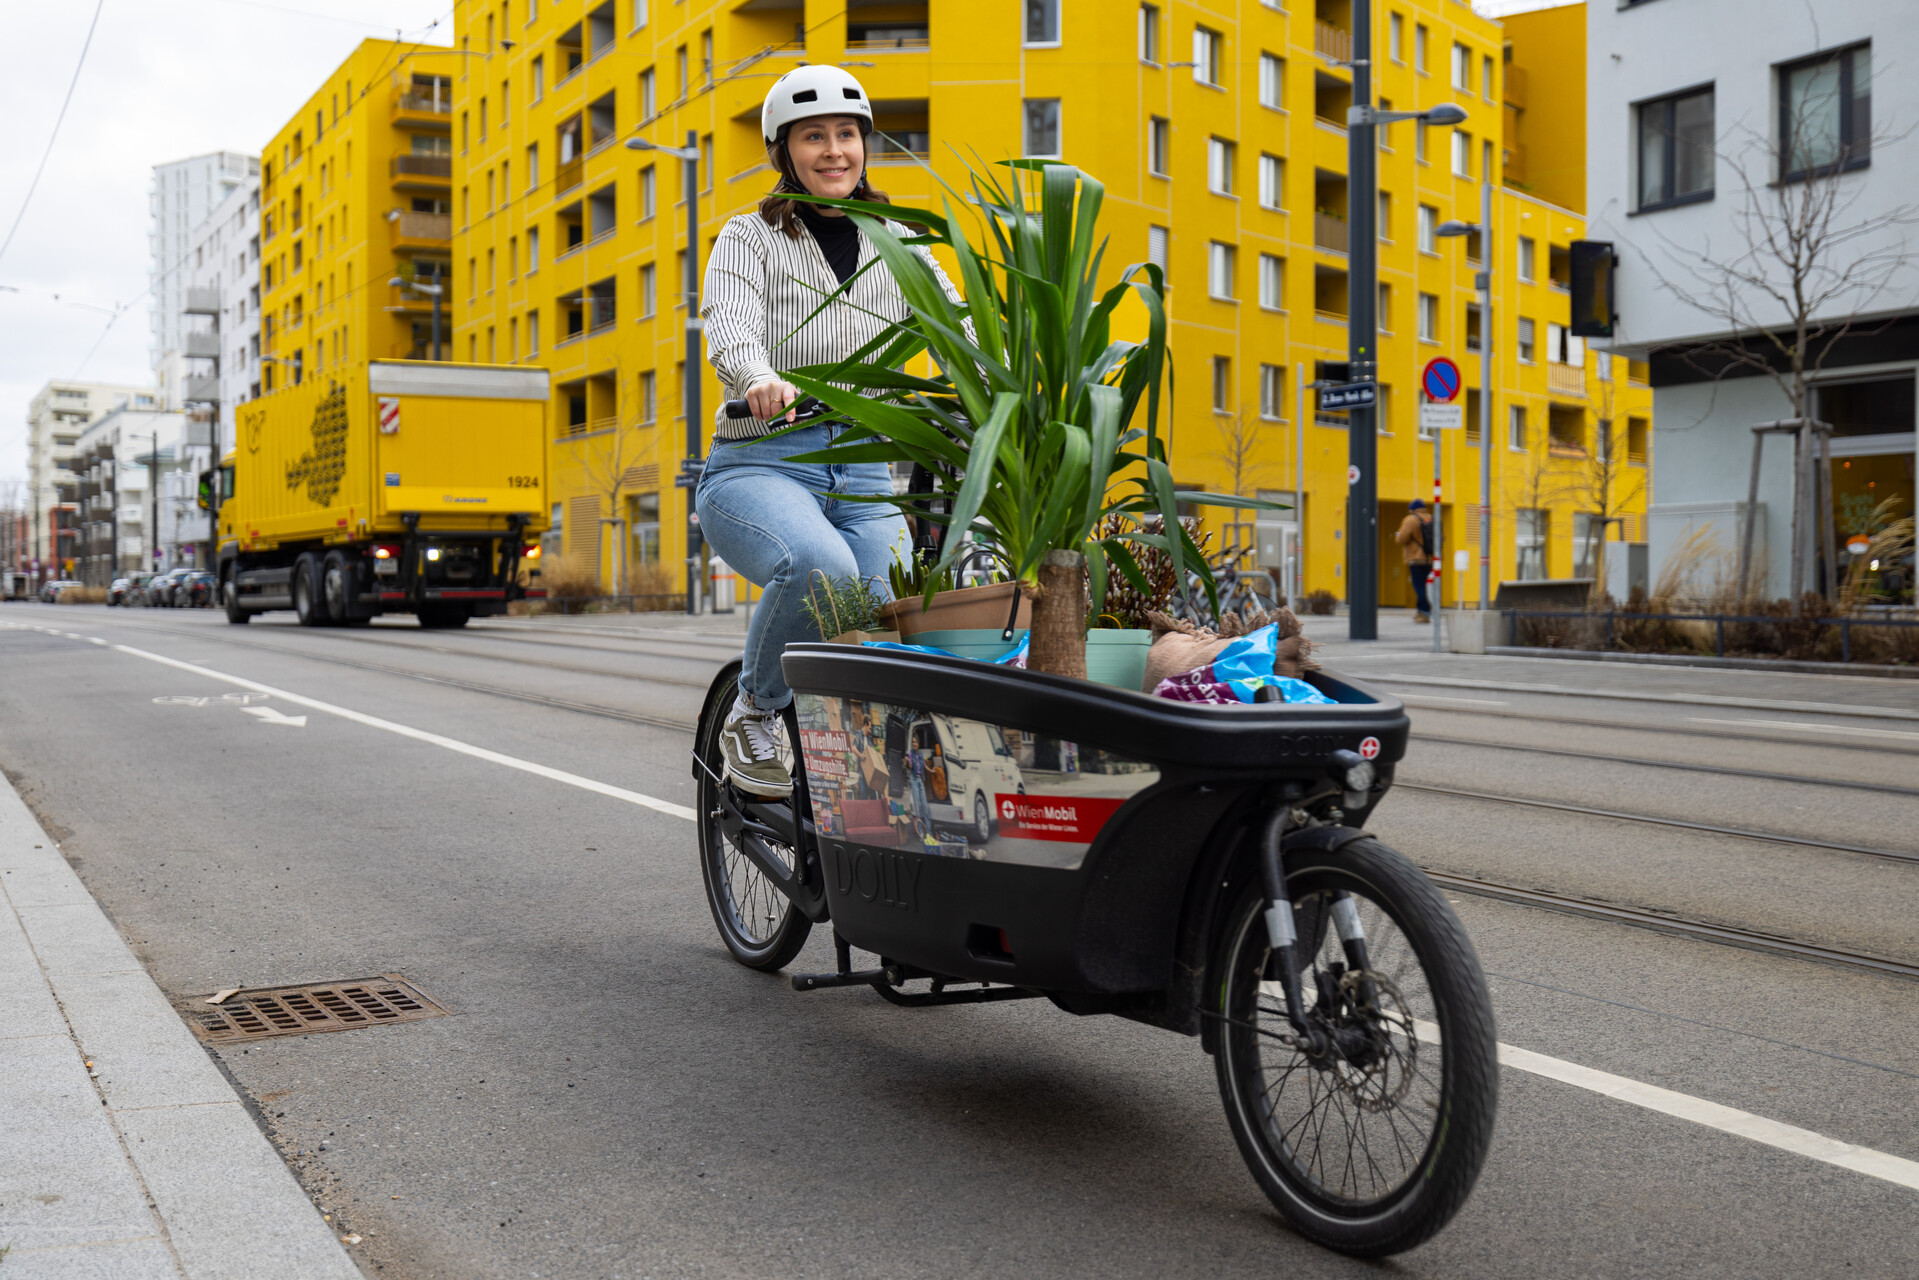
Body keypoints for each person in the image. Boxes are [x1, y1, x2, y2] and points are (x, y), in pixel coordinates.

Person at [696, 66, 966, 797]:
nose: (834, 150)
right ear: (783, 152)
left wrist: (1001, 388)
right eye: (813, 137)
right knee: (824, 573)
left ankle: (857, 799)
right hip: (761, 466)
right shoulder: (748, 237)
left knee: (888, 618)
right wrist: (756, 379)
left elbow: (955, 326)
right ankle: (754, 710)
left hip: (865, 474)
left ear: (864, 144)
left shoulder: (900, 240)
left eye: (845, 134)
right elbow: (730, 325)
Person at [1396, 499, 1435, 623]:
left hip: (1416, 558)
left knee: (1419, 586)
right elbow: (1441, 537)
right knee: (1426, 585)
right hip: (1430, 558)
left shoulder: (1411, 519)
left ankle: (1424, 611)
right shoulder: (1432, 519)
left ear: (1412, 509)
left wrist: (1397, 535)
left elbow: (1402, 538)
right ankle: (1421, 612)